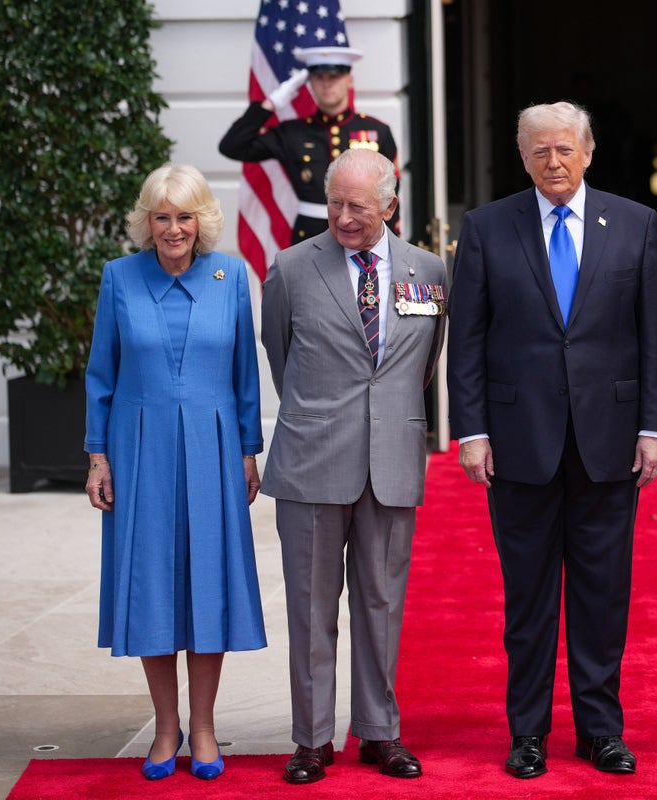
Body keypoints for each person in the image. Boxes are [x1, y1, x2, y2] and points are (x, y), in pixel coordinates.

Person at [447, 101, 657, 779]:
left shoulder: (635, 223)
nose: (554, 161)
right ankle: (528, 732)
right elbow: (468, 338)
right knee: (529, 598)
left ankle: (600, 730)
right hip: (519, 441)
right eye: (540, 150)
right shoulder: (487, 227)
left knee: (602, 596)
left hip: (610, 440)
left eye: (565, 149)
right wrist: (472, 431)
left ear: (588, 152)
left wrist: (654, 427)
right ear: (523, 158)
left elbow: (656, 334)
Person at [259, 148, 446, 785]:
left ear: (390, 206)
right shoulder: (291, 268)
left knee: (381, 602)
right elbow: (280, 356)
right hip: (312, 460)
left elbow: (422, 366)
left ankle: (379, 731)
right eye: (335, 203)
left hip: (391, 459)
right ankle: (312, 739)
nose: (343, 217)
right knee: (311, 608)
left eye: (358, 207)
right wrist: (321, 415)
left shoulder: (428, 271)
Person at [84, 163, 267, 782]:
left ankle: (205, 727)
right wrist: (98, 457)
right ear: (147, 221)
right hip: (139, 451)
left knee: (208, 584)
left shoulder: (230, 277)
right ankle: (167, 728)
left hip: (214, 450)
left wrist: (248, 450)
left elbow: (245, 374)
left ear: (202, 219)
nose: (173, 229)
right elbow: (101, 374)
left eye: (184, 216)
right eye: (161, 217)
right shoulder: (119, 277)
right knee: (152, 585)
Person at [219, 45, 400, 247]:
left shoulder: (377, 131)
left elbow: (390, 195)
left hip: (363, 235)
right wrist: (272, 103)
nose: (326, 84)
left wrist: (389, 246)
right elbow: (232, 146)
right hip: (309, 236)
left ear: (349, 80)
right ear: (310, 82)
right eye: (319, 77)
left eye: (334, 77)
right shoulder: (292, 132)